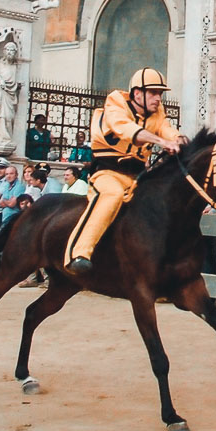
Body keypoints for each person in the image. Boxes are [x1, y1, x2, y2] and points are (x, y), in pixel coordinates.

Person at [64, 68, 183, 275]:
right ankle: (77, 254)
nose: (158, 98)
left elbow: (165, 127)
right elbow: (124, 128)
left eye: (160, 93)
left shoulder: (157, 112)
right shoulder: (116, 102)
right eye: (153, 92)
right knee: (112, 195)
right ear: (137, 93)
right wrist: (160, 141)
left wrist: (179, 139)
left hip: (137, 177)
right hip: (107, 173)